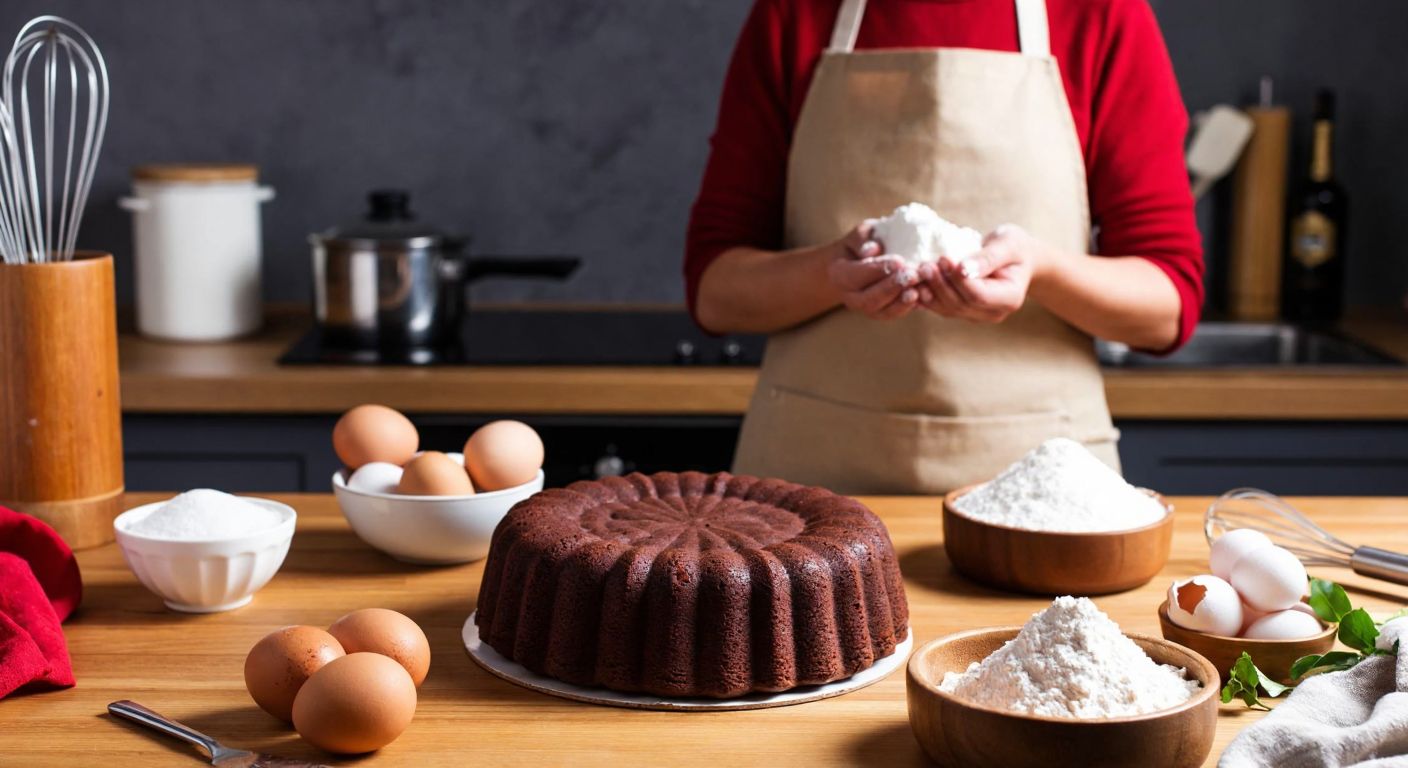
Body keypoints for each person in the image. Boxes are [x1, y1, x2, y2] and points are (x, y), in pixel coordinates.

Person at [684, 0, 1204, 494]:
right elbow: (716, 289)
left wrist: (1041, 270)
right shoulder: (796, 12)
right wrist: (829, 273)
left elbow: (1166, 305)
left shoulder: (1100, 13)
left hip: (1039, 488)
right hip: (811, 488)